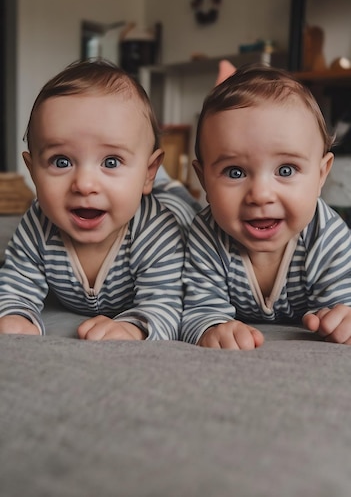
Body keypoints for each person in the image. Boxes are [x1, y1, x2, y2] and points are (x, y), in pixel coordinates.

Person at [0, 59, 194, 340]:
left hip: (174, 210)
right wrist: (14, 314)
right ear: (32, 171)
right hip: (134, 189)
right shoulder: (38, 222)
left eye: (111, 161)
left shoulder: (158, 232)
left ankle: (162, 180)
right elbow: (14, 284)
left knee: (179, 201)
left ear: (147, 173)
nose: (84, 184)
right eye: (62, 161)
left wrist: (133, 327)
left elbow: (166, 304)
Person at [181, 63, 351, 349]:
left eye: (286, 170)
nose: (260, 195)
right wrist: (213, 326)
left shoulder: (327, 234)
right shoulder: (206, 234)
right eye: (235, 172)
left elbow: (342, 303)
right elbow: (197, 308)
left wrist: (340, 320)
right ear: (204, 180)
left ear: (321, 174)